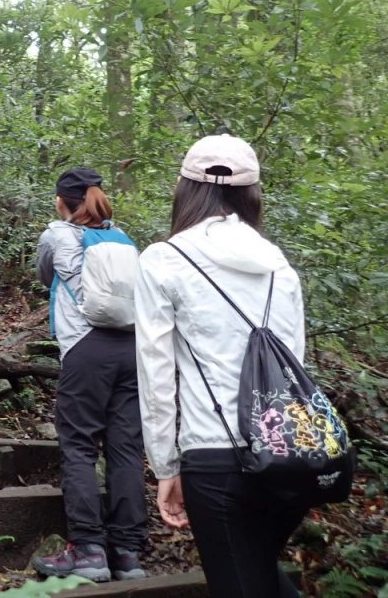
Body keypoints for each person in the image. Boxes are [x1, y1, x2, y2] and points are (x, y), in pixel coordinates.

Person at [135, 134, 309, 598]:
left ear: (184, 189)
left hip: (216, 460)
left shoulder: (163, 261)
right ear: (252, 194)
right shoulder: (280, 269)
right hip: (289, 460)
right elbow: (295, 367)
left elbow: (155, 374)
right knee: (257, 576)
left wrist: (165, 465)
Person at [32, 168, 148, 583]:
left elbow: (47, 275)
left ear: (62, 200)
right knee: (125, 449)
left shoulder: (57, 235)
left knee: (79, 444)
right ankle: (128, 553)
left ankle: (88, 550)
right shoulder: (124, 239)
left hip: (86, 347)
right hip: (132, 349)